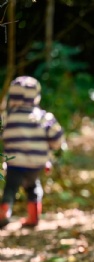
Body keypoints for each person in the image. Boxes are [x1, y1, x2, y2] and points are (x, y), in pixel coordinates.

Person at [0, 76, 64, 228]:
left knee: (10, 188)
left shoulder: (8, 116)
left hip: (15, 162)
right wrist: (52, 148)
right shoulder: (44, 117)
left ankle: (3, 214)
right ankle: (33, 217)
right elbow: (57, 137)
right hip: (36, 162)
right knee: (33, 187)